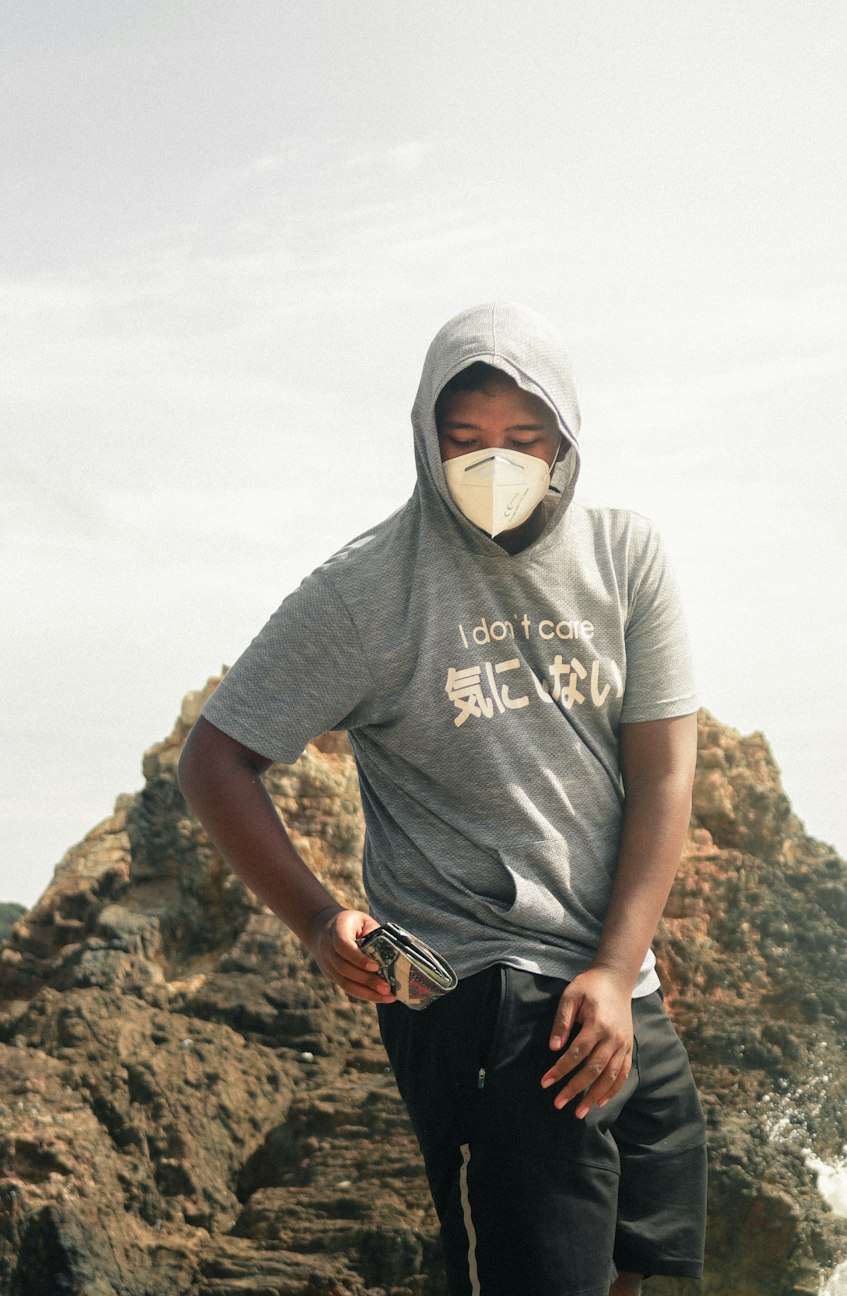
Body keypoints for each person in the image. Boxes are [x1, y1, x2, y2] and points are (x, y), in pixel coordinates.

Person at [178, 301, 706, 1296]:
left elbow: (663, 774)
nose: (495, 464)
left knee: (656, 1274)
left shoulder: (625, 558)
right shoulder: (368, 590)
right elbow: (214, 761)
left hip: (621, 993)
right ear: (425, 437)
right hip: (479, 998)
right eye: (464, 441)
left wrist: (613, 970)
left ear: (565, 441)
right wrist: (316, 918)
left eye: (524, 440)